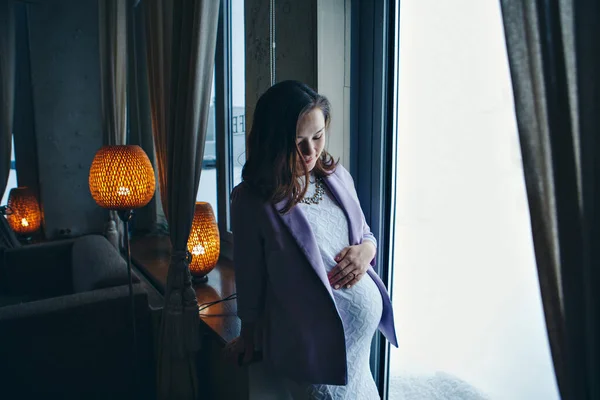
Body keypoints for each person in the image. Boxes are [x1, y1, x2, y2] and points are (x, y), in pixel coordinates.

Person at [226, 80, 397, 399]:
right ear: (274, 143)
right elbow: (250, 278)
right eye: (297, 142)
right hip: (315, 366)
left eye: (317, 137)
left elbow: (366, 234)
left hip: (361, 359)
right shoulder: (252, 201)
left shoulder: (336, 176)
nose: (310, 152)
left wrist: (366, 251)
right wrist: (248, 334)